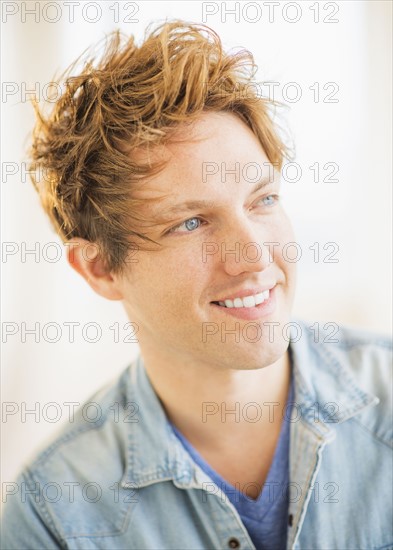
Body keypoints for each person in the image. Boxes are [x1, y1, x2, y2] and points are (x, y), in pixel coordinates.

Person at [1, 20, 392, 550]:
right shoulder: (51, 517)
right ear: (100, 268)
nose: (254, 255)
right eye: (191, 222)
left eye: (263, 200)